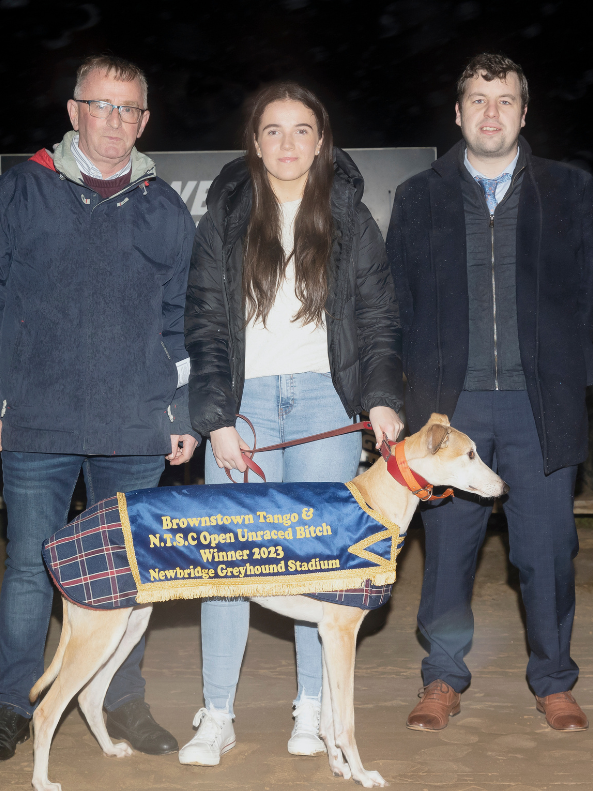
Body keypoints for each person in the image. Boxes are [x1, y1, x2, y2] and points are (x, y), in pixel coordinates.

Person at [0, 55, 197, 763]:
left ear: (144, 120)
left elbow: (180, 322)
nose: (115, 121)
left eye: (129, 109)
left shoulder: (164, 207)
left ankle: (123, 699)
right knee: (30, 566)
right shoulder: (21, 191)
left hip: (133, 423)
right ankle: (11, 705)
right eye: (102, 105)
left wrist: (180, 410)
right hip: (37, 418)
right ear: (73, 111)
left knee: (126, 574)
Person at [386, 53, 593, 733]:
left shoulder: (569, 189)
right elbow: (397, 297)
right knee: (448, 546)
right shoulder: (420, 195)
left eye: (506, 100)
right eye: (479, 100)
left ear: (524, 112)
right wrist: (412, 386)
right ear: (458, 114)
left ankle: (553, 680)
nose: (492, 113)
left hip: (538, 403)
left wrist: (560, 365)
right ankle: (442, 677)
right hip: (447, 410)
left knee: (546, 548)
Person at [180, 81, 403, 765]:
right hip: (243, 406)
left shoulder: (349, 217)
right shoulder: (223, 215)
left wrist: (381, 397)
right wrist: (217, 421)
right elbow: (207, 323)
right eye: (272, 130)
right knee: (230, 561)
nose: (286, 143)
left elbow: (376, 321)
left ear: (321, 139)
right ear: (254, 141)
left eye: (301, 129)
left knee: (316, 562)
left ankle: (312, 707)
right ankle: (217, 711)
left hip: (324, 405)